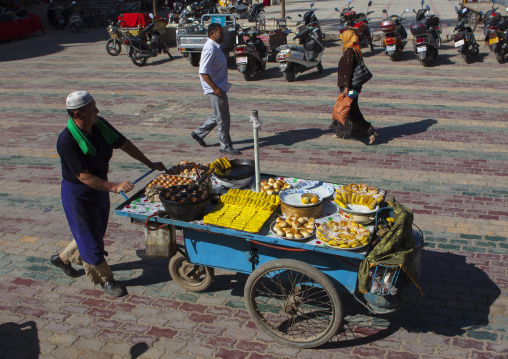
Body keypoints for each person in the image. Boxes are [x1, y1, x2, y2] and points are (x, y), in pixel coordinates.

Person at [51, 91, 166, 297]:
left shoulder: (99, 124)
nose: (97, 111)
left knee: (93, 232)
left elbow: (125, 144)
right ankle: (107, 279)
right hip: (78, 195)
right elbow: (84, 177)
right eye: (92, 109)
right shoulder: (66, 141)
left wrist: (150, 163)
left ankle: (63, 258)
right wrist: (115, 187)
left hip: (99, 189)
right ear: (78, 114)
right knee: (91, 240)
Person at [191, 23, 241, 155]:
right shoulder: (210, 49)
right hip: (214, 89)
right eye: (220, 32)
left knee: (218, 114)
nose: (223, 34)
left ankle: (198, 133)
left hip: (219, 86)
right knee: (223, 119)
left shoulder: (216, 47)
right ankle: (225, 146)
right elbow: (203, 72)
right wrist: (215, 88)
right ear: (212, 34)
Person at [332, 30, 378, 145]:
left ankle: (368, 130)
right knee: (346, 107)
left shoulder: (349, 51)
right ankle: (340, 131)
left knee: (350, 108)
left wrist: (346, 87)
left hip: (350, 88)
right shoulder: (355, 49)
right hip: (355, 87)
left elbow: (347, 71)